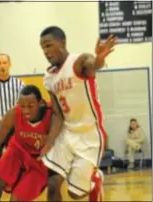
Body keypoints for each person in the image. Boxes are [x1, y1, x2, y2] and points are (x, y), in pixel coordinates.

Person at [39, 26, 117, 201]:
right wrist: (50, 141)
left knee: (75, 194)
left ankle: (94, 181)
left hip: (89, 135)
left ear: (62, 42)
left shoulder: (79, 61)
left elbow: (93, 64)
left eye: (49, 45)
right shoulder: (49, 78)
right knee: (52, 185)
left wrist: (99, 59)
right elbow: (57, 114)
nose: (46, 51)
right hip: (66, 134)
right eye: (43, 47)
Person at [0, 85, 55, 201]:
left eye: (31, 106)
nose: (26, 110)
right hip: (16, 152)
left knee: (16, 199)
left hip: (39, 161)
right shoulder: (14, 113)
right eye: (22, 106)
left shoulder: (53, 115)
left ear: (41, 103)